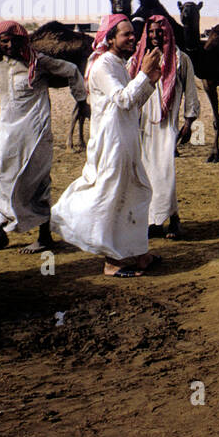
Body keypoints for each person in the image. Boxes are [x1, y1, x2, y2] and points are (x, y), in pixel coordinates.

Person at [50, 15, 162, 277]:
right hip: (111, 143)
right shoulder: (103, 66)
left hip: (125, 140)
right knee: (111, 198)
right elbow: (124, 100)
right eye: (126, 34)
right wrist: (144, 74)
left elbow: (132, 103)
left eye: (133, 34)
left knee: (133, 193)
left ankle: (134, 252)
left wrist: (150, 80)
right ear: (110, 39)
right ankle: (113, 260)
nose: (132, 38)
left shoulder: (118, 65)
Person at [0, 19, 88, 254]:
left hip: (34, 134)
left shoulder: (39, 62)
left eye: (13, 40)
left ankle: (45, 237)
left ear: (22, 40)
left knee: (36, 183)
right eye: (3, 41)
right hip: (4, 133)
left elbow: (72, 71)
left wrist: (81, 99)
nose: (8, 45)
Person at [130, 14, 199, 240]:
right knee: (146, 174)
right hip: (142, 126)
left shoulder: (180, 59)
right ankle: (159, 220)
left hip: (168, 124)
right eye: (150, 32)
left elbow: (190, 92)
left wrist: (189, 121)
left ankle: (166, 220)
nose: (155, 36)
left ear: (167, 32)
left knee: (165, 173)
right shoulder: (138, 59)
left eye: (159, 31)